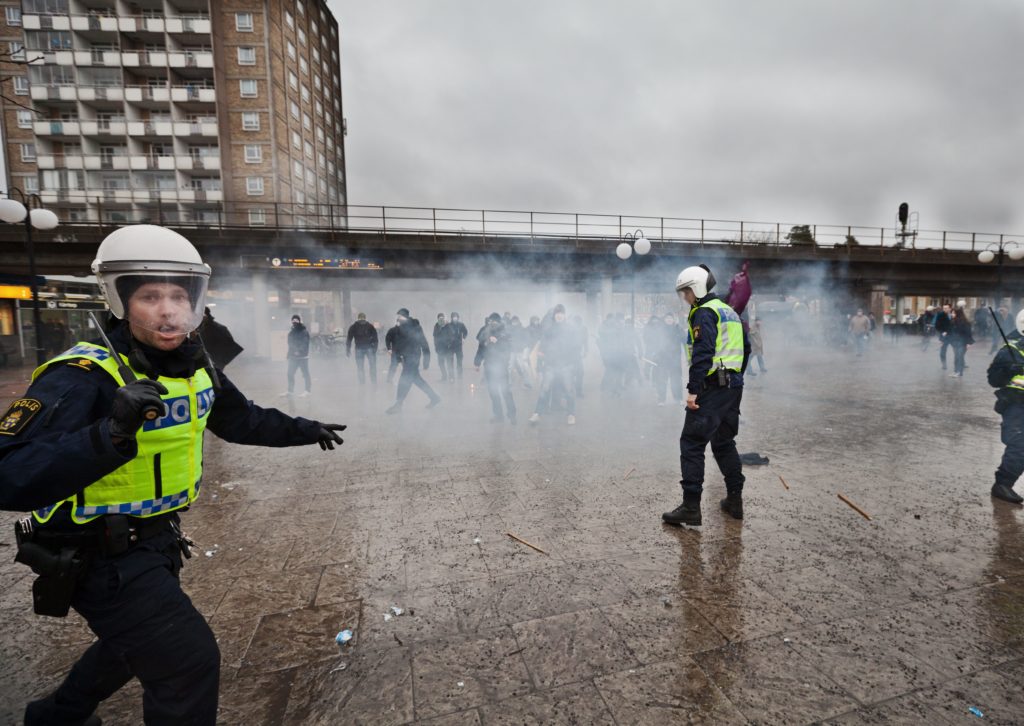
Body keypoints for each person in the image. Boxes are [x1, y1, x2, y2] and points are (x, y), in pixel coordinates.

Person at [0, 225, 346, 725]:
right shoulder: (81, 376)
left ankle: (55, 717)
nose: (168, 311)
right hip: (93, 551)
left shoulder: (196, 363)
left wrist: (305, 429)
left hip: (156, 539)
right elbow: (9, 472)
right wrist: (109, 431)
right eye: (149, 296)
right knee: (185, 662)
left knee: (130, 647)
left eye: (179, 296)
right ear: (119, 301)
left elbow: (239, 418)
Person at [662, 264, 748, 526]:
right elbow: (747, 348)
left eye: (685, 292)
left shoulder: (704, 312)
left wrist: (693, 390)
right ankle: (734, 500)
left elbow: (703, 352)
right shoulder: (729, 311)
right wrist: (735, 378)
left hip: (712, 387)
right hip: (732, 386)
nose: (684, 298)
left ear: (696, 288)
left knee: (691, 442)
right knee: (724, 443)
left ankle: (690, 507)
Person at [987, 309, 1024, 504]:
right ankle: (1003, 484)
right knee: (1020, 445)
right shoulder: (1010, 350)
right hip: (1016, 405)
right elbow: (993, 379)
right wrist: (1009, 370)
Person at [528, 304, 578, 425]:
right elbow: (542, 348)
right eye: (557, 313)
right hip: (551, 364)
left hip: (566, 364)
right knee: (544, 389)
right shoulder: (549, 330)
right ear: (554, 316)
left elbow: (575, 347)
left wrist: (574, 364)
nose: (559, 316)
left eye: (561, 313)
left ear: (564, 315)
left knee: (569, 389)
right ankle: (537, 413)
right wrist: (540, 364)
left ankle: (571, 414)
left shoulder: (570, 329)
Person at [387, 308, 441, 413]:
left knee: (404, 379)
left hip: (413, 357)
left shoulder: (415, 327)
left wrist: (426, 361)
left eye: (401, 316)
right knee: (417, 380)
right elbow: (397, 343)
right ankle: (434, 397)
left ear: (406, 317)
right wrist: (397, 356)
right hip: (405, 357)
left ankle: (398, 404)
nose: (399, 318)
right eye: (398, 316)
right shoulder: (399, 328)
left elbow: (423, 342)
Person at [474, 312, 517, 424]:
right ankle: (498, 415)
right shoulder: (485, 332)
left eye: (494, 321)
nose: (492, 323)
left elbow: (509, 348)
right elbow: (481, 348)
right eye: (490, 321)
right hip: (489, 366)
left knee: (505, 391)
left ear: (499, 322)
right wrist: (477, 362)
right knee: (493, 392)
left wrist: (498, 342)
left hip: (501, 366)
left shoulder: (504, 333)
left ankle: (512, 415)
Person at [650, 313, 685, 405]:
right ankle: (661, 399)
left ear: (673, 320)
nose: (669, 320)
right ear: (664, 320)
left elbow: (685, 341)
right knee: (661, 379)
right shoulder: (660, 330)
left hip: (675, 358)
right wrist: (654, 354)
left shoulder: (678, 329)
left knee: (676, 379)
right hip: (662, 358)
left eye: (671, 318)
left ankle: (678, 398)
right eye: (667, 318)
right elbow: (654, 343)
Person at [346, 312, 379, 385]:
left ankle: (362, 383)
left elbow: (349, 339)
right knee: (372, 366)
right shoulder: (370, 326)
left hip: (358, 349)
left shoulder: (353, 326)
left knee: (360, 367)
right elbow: (375, 339)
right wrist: (375, 349)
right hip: (369, 348)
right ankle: (373, 382)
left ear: (358, 318)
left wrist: (348, 350)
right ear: (365, 318)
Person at [284, 313, 311, 397]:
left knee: (305, 374)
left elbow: (305, 343)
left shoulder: (304, 332)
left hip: (303, 357)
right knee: (290, 373)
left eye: (296, 321)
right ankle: (290, 391)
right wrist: (290, 353)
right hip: (293, 357)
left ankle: (307, 391)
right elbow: (290, 343)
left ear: (299, 321)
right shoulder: (291, 332)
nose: (294, 323)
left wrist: (299, 351)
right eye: (293, 321)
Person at [949, 306, 974, 378]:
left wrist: (968, 343)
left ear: (958, 314)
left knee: (960, 357)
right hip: (955, 342)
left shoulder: (964, 322)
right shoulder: (953, 321)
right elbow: (951, 331)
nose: (952, 314)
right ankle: (956, 371)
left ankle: (960, 372)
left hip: (963, 342)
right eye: (951, 313)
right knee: (956, 357)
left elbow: (968, 333)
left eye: (953, 313)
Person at [448, 312, 469, 381]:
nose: (455, 318)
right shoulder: (448, 325)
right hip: (450, 346)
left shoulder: (461, 325)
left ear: (458, 317)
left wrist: (464, 338)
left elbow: (465, 332)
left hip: (459, 346)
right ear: (451, 318)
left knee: (459, 362)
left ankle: (460, 376)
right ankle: (451, 376)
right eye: (453, 317)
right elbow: (444, 334)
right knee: (450, 362)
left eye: (456, 317)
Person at [432, 313, 451, 383]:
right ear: (438, 319)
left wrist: (449, 344)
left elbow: (451, 335)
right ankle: (444, 376)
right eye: (439, 318)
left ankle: (451, 376)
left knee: (449, 362)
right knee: (440, 363)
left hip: (447, 348)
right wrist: (436, 346)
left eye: (442, 318)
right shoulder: (436, 326)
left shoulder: (448, 325)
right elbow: (435, 336)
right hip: (440, 348)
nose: (441, 319)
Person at [935, 303, 953, 369]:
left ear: (950, 308)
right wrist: (942, 332)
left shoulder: (953, 314)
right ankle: (944, 364)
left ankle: (962, 363)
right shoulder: (940, 315)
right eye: (944, 308)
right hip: (944, 336)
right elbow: (937, 326)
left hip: (953, 336)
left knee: (958, 350)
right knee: (943, 351)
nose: (944, 309)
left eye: (946, 308)